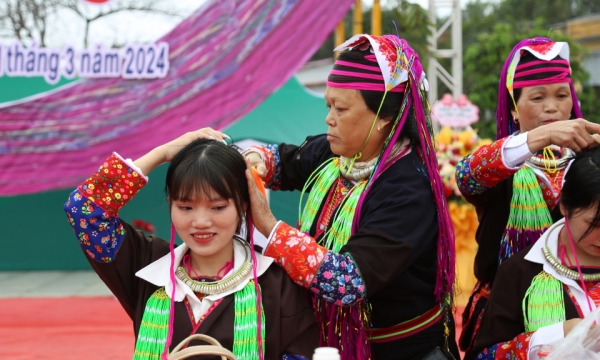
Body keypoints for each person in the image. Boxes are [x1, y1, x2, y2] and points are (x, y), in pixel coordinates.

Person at [242, 34, 459, 359]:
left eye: (340, 109)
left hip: (399, 351)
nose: (329, 118)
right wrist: (254, 161)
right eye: (328, 105)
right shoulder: (337, 153)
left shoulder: (408, 188)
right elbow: (280, 161)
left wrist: (271, 228)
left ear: (386, 117)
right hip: (329, 341)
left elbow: (347, 280)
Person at [63, 130, 319, 360]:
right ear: (171, 205)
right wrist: (161, 153)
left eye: (218, 207)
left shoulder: (275, 282)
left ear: (243, 205)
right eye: (185, 207)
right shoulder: (148, 268)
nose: (200, 222)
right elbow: (84, 210)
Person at [455, 37, 600, 354]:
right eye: (537, 97)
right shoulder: (502, 167)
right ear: (513, 109)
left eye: (562, 96)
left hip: (581, 299)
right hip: (506, 309)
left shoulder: (588, 164)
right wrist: (540, 136)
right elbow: (465, 176)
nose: (552, 107)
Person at [469, 147, 600, 360]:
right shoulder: (521, 272)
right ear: (565, 207)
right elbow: (482, 357)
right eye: (595, 223)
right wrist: (554, 336)